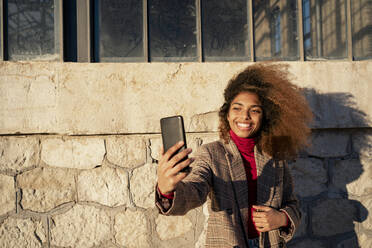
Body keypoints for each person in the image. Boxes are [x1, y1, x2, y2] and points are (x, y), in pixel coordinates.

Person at [155, 64, 313, 248]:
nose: (245, 116)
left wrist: (281, 218)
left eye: (254, 110)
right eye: (237, 108)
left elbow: (292, 204)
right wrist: (167, 190)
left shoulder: (275, 158)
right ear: (227, 115)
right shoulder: (212, 154)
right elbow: (195, 189)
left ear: (264, 117)